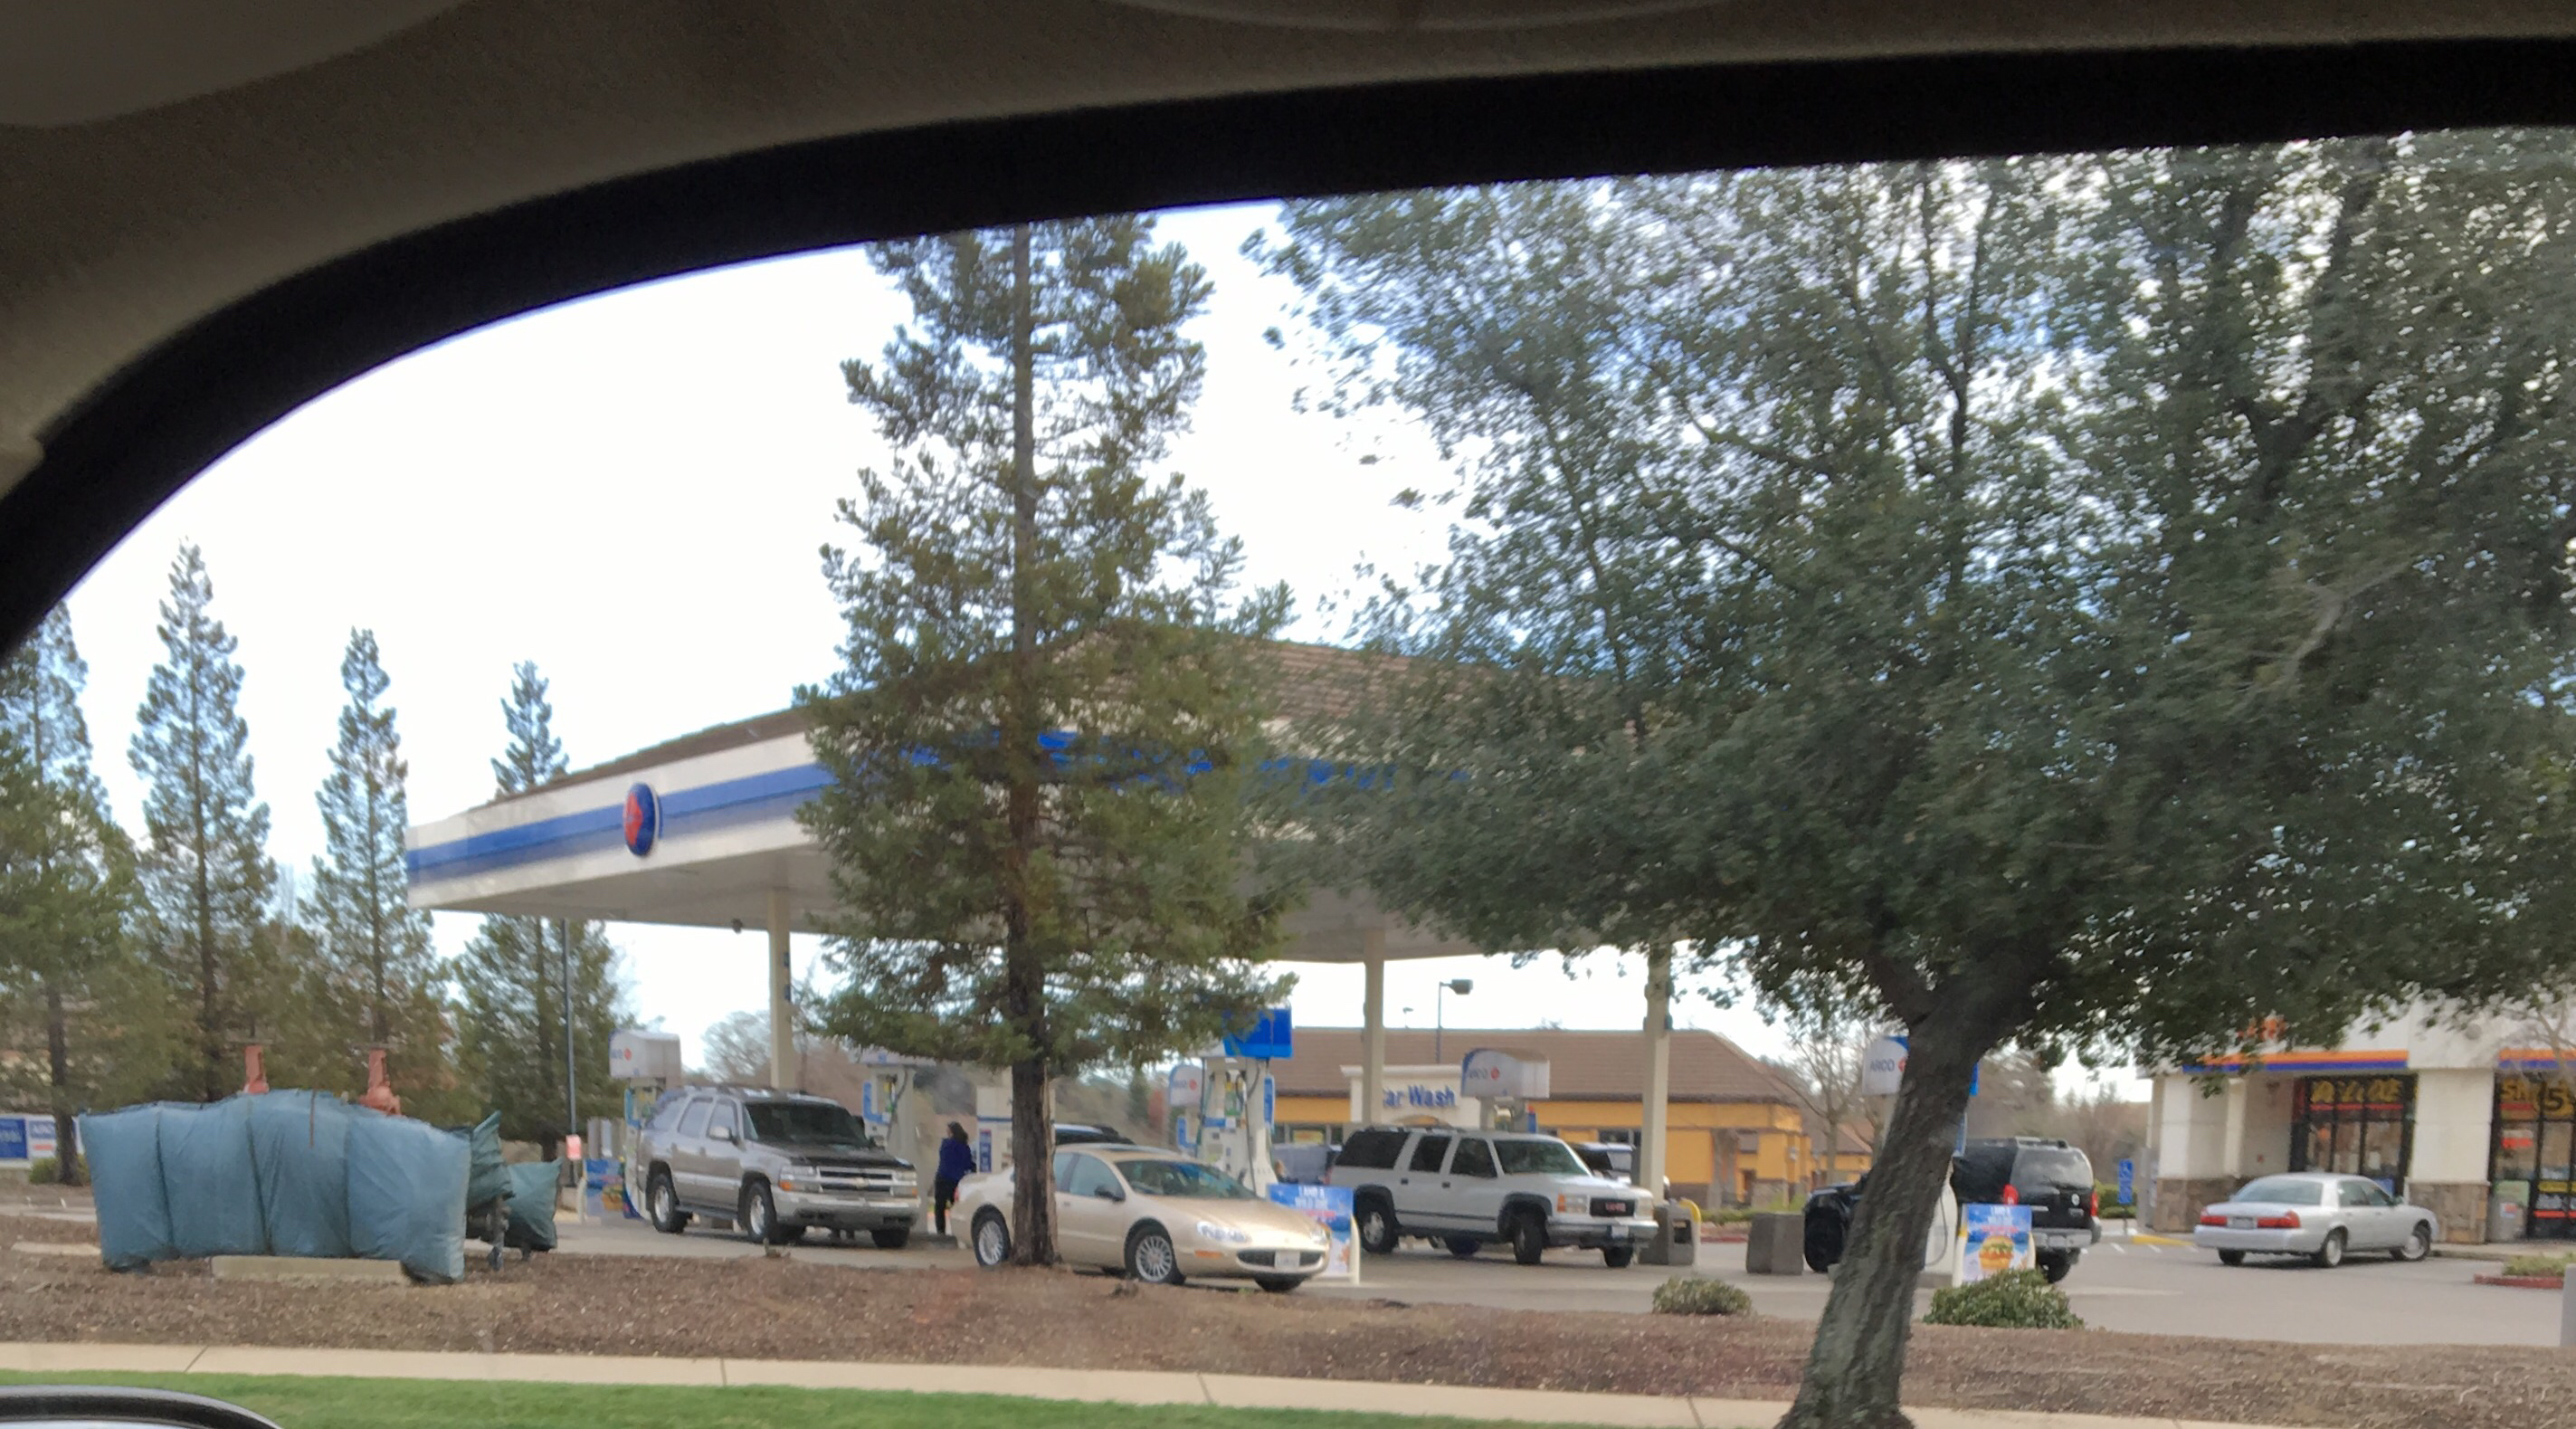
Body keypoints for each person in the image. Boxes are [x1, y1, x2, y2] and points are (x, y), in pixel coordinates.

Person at [934, 1121, 974, 1237]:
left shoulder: (946, 1144)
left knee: (940, 1207)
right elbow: (968, 1164)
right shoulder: (964, 1146)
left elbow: (943, 1159)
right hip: (956, 1180)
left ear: (951, 1132)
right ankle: (957, 1232)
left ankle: (941, 1231)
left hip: (942, 1178)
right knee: (955, 1207)